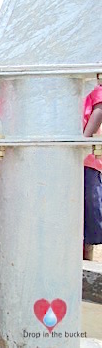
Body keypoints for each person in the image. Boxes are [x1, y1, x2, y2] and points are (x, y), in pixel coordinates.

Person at [83, 86, 102, 260]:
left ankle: (85, 264)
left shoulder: (91, 82)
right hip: (62, 158)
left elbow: (99, 109)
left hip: (86, 159)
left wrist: (82, 142)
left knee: (88, 215)